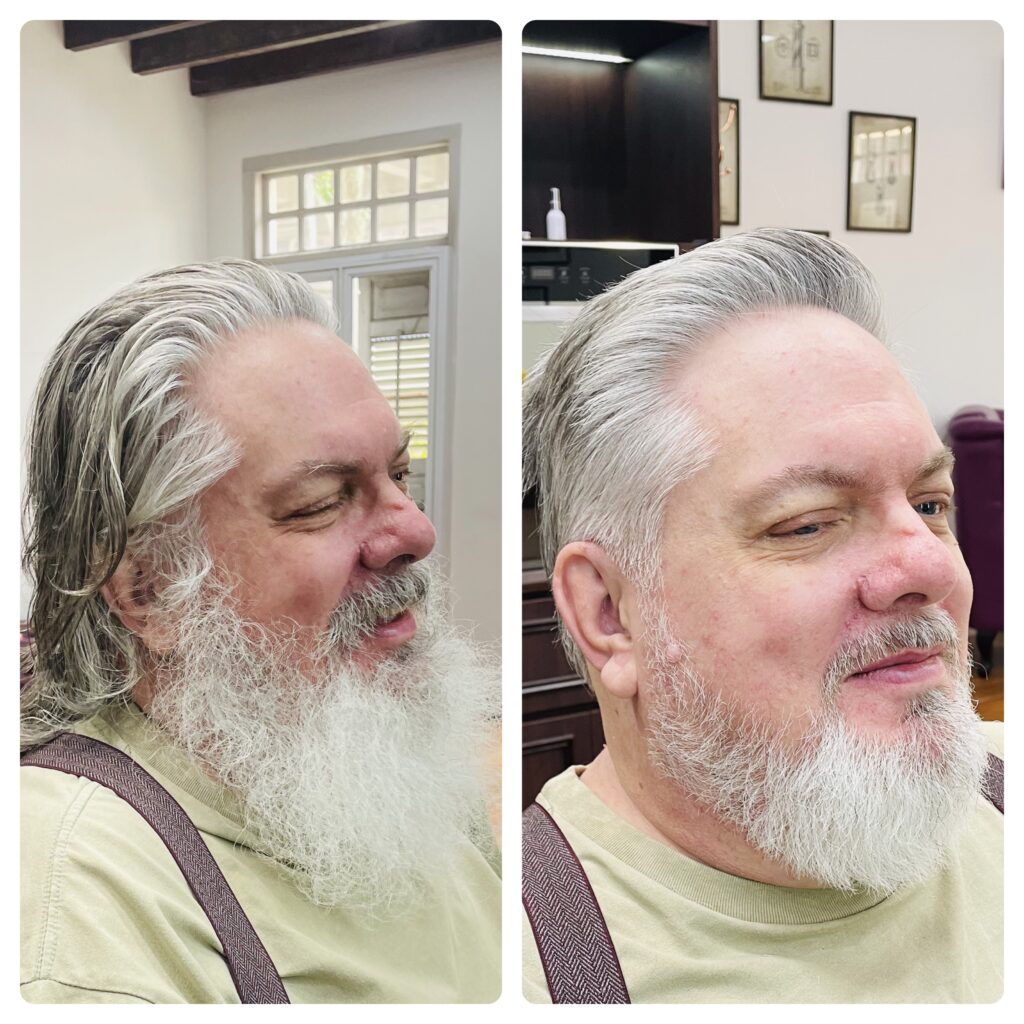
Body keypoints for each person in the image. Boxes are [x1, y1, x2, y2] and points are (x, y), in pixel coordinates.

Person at [521, 228, 1002, 1003]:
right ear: (610, 613)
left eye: (929, 504)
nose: (931, 567)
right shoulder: (525, 971)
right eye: (807, 523)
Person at [21, 260, 500, 1003]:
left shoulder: (385, 750)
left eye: (400, 475)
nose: (415, 530)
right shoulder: (90, 909)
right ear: (149, 593)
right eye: (318, 503)